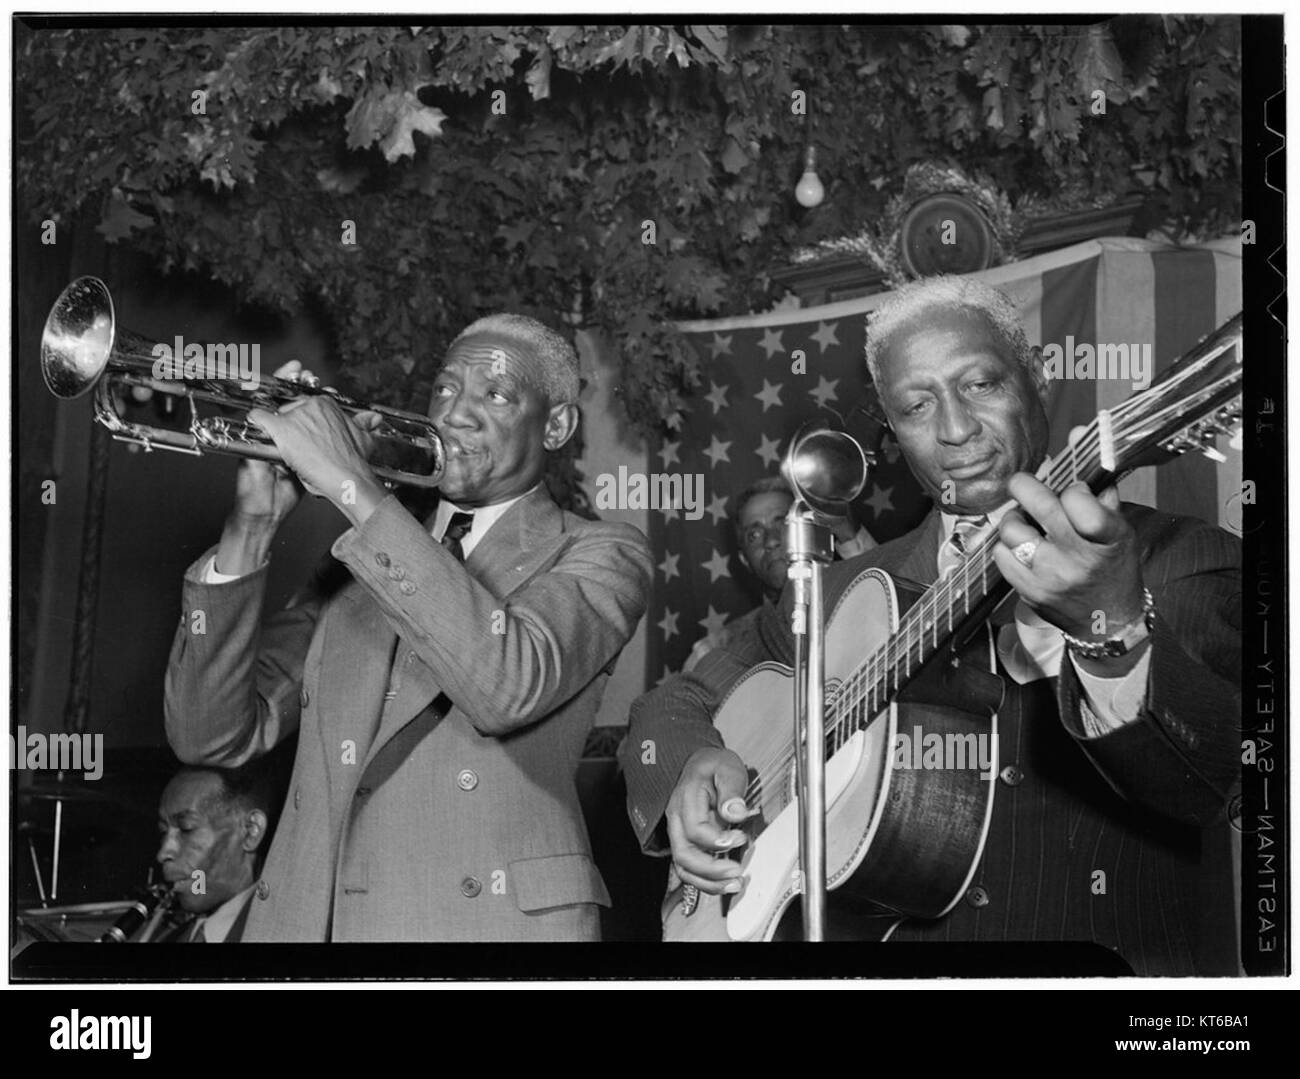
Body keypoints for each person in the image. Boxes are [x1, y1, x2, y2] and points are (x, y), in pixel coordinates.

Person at [620, 276, 1240, 974]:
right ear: (889, 427)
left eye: (980, 384)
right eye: (917, 405)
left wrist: (1108, 625)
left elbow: (1211, 783)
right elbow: (671, 703)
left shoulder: (1185, 559)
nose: (955, 429)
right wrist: (692, 767)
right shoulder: (838, 587)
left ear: (1034, 377)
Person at [166, 314, 652, 942]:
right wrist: (252, 526)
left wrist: (352, 485)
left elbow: (507, 685)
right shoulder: (360, 555)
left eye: (496, 395)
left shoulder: (601, 552)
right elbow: (211, 737)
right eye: (445, 390)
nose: (457, 414)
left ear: (556, 425)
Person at [682, 476, 875, 673]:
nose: (771, 541)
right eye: (754, 535)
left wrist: (849, 535)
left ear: (813, 530)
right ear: (744, 560)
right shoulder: (715, 651)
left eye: (784, 523)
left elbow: (894, 591)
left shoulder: (863, 592)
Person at [154, 763, 280, 943]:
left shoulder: (287, 930)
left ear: (251, 830)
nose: (164, 853)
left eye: (186, 828)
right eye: (163, 832)